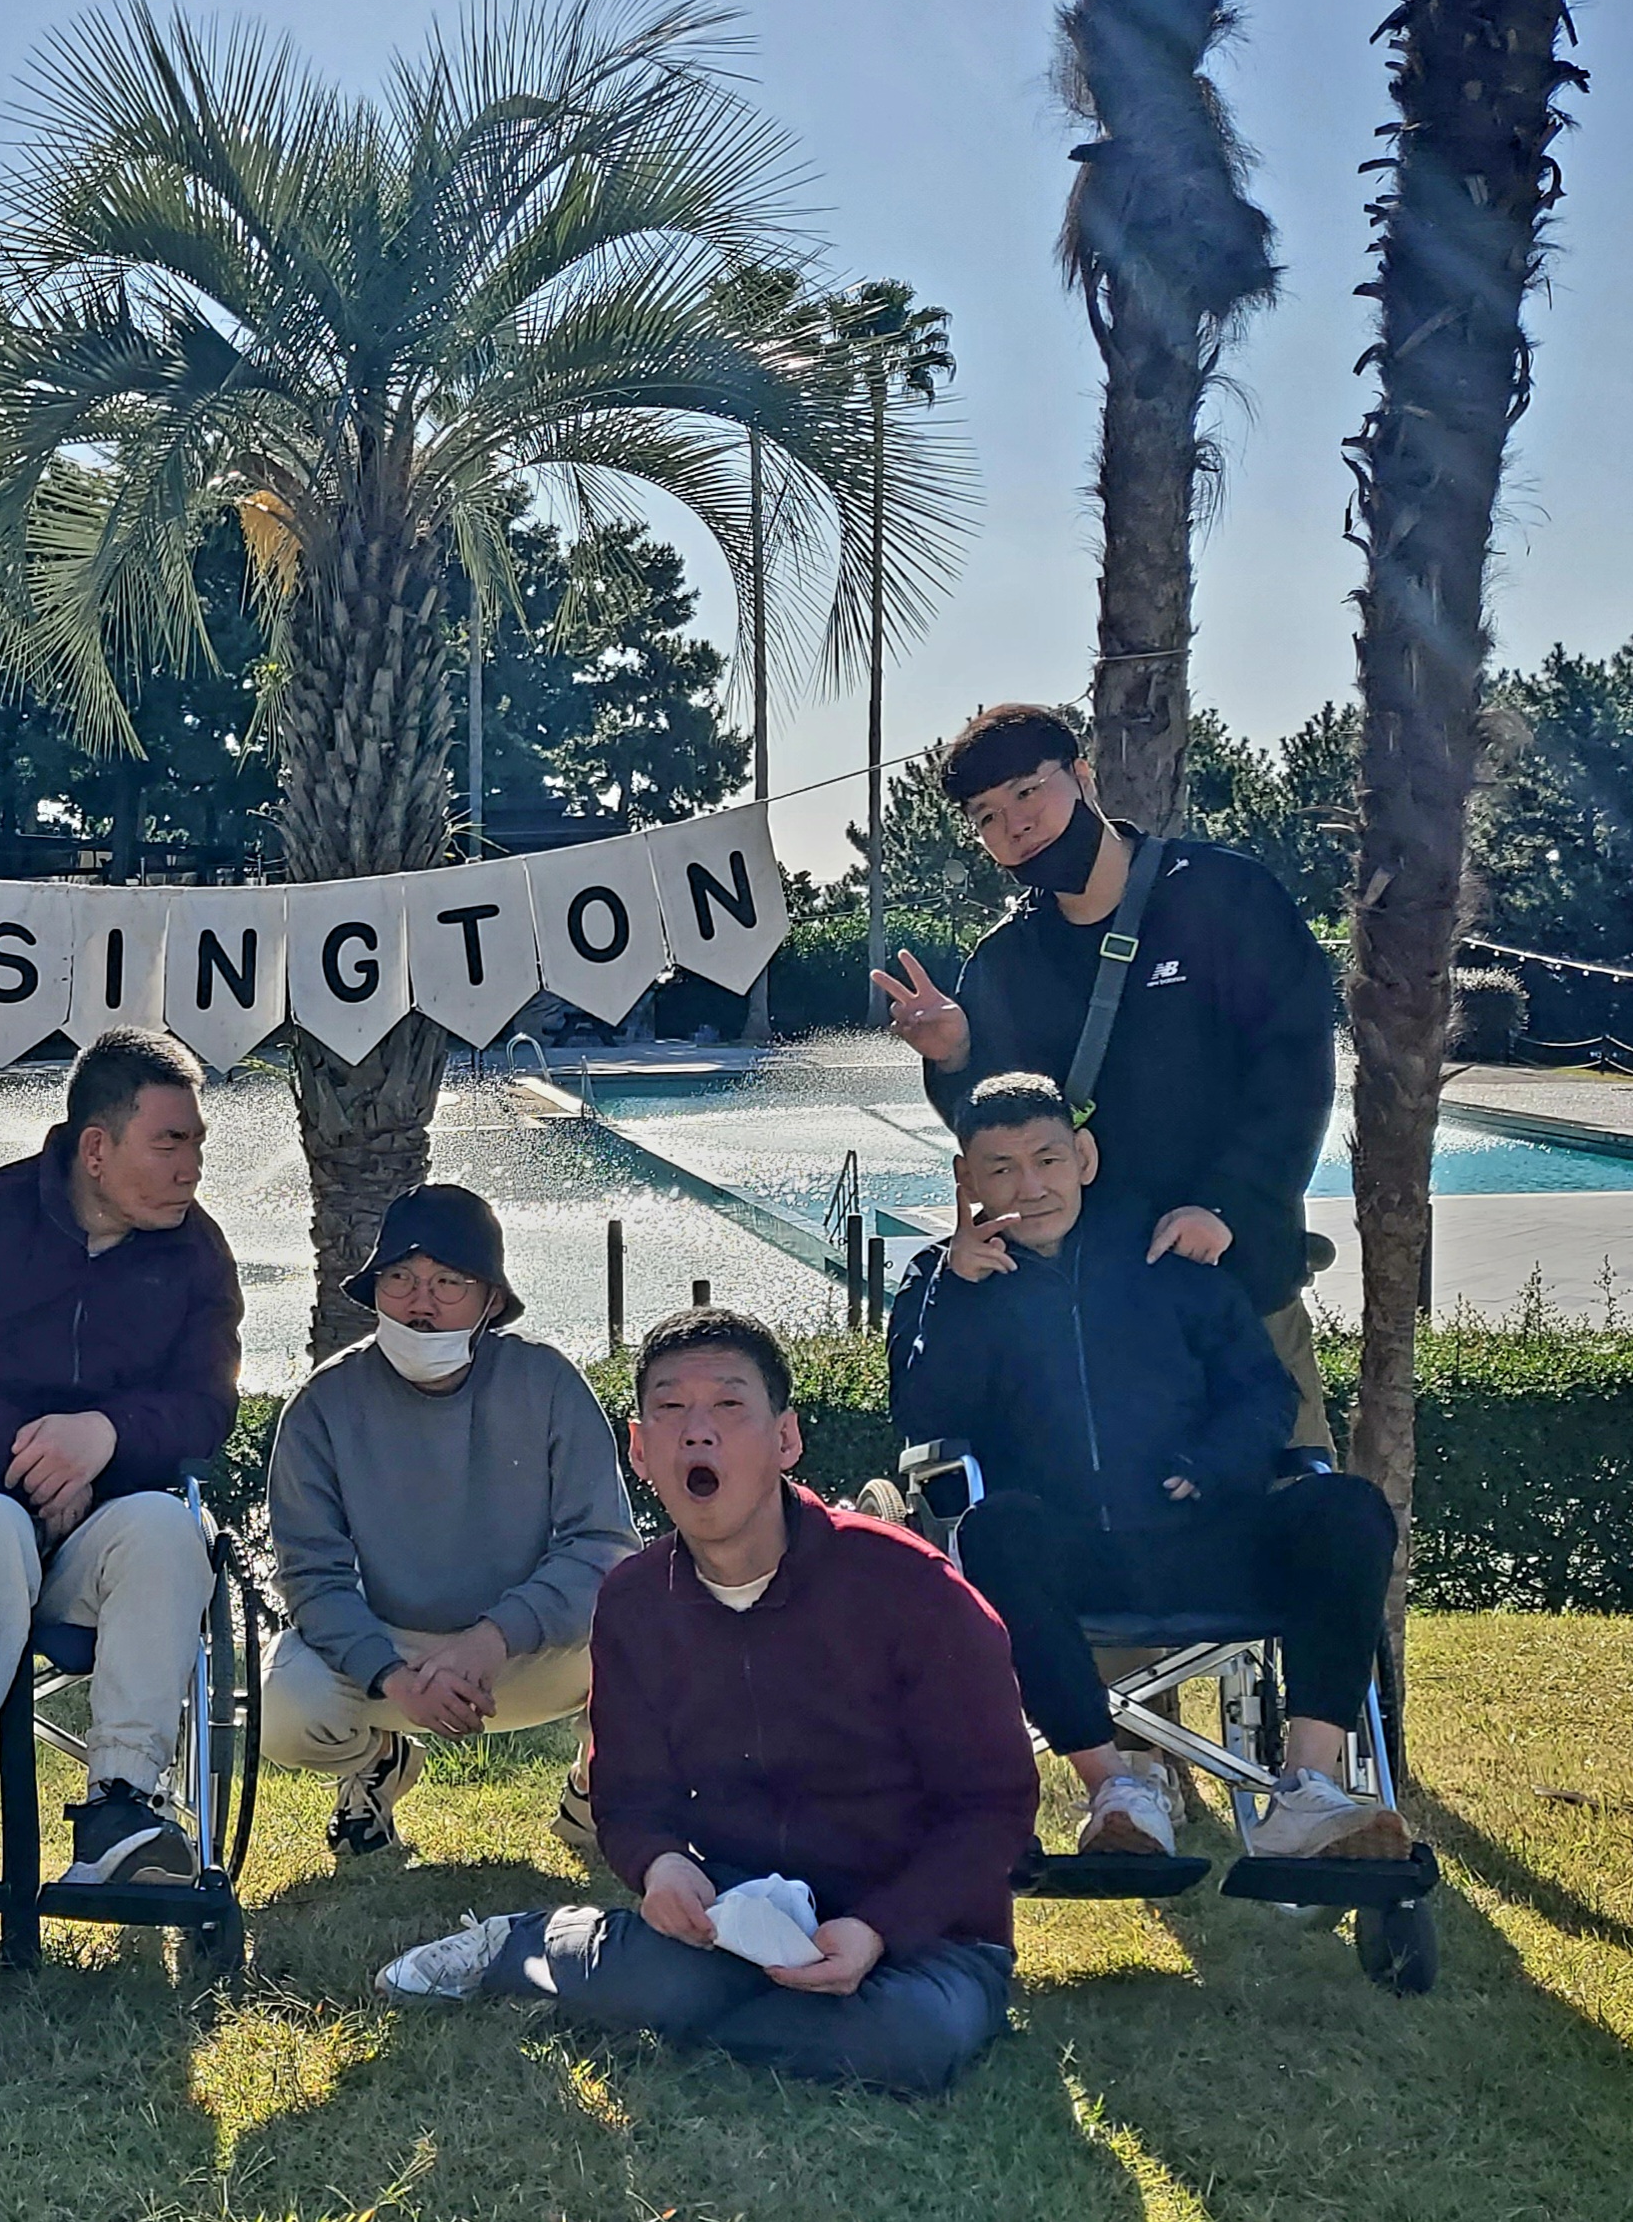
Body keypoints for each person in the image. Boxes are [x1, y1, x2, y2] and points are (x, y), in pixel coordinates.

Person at [371, 1309, 1040, 2100]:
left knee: (905, 2039)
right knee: (670, 1983)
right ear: (639, 1448)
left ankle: (662, 1992)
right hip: (737, 1913)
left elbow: (992, 1806)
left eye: (728, 1404)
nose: (697, 1431)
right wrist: (660, 1865)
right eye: (670, 1408)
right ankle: (527, 1944)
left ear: (785, 1438)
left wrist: (876, 1929)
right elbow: (629, 1800)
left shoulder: (908, 1585)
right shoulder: (634, 1601)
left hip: (924, 1933)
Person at [889, 1072, 1414, 1863]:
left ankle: (1307, 1789)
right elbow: (923, 1418)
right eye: (1001, 1168)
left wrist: (1218, 1461)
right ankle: (1116, 1792)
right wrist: (957, 1294)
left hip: (1202, 1534)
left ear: (1085, 1159)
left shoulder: (1166, 1255)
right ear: (966, 1178)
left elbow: (1262, 1391)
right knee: (993, 1529)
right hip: (1068, 1562)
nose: (1030, 1186)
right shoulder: (940, 1284)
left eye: (1048, 1160)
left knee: (1349, 1508)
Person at [869, 702, 1337, 1452]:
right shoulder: (1005, 962)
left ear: (1083, 776)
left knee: (1290, 1502)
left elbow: (1295, 1070)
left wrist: (1229, 1206)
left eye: (1028, 791)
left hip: (1237, 1281)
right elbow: (1001, 1130)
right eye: (987, 816)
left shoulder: (1224, 897)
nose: (1015, 825)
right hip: (1097, 1320)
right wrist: (953, 1055)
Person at [0, 1027, 242, 1887]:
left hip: (94, 1534)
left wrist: (104, 1438)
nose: (191, 1168)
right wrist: (29, 1460)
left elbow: (207, 1405)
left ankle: (123, 1809)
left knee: (168, 1531)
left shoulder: (197, 1255)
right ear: (96, 1148)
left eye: (197, 1143)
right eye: (170, 1143)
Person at [262, 1184, 636, 1868]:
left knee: (657, 1635)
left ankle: (595, 1783)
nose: (420, 1303)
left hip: (529, 1651)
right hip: (393, 1653)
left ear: (490, 1299)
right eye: (399, 1279)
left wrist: (493, 1638)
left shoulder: (548, 1382)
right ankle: (376, 1761)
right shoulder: (321, 1406)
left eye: (447, 1282)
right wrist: (391, 1674)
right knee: (284, 1708)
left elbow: (602, 1546)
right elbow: (312, 1576)